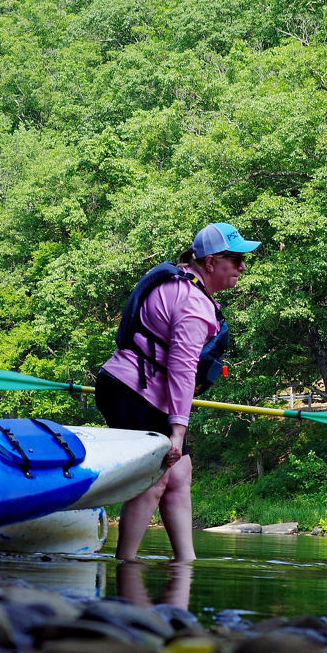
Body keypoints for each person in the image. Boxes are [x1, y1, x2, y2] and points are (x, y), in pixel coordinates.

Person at [96, 222, 261, 563]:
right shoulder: (194, 304)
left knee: (179, 472)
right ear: (212, 262)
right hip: (134, 391)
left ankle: (185, 561)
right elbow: (182, 370)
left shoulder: (179, 281)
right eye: (236, 259)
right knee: (155, 476)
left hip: (129, 387)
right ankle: (126, 561)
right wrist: (177, 431)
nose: (243, 266)